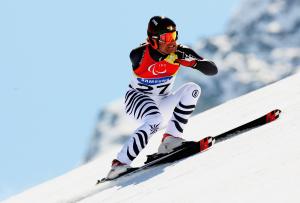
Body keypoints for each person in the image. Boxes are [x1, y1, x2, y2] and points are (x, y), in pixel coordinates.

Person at [106, 16, 218, 179]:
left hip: (163, 101)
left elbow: (212, 70)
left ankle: (170, 141)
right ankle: (120, 164)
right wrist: (167, 57)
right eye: (166, 38)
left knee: (192, 89)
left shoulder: (180, 51)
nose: (171, 42)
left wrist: (193, 63)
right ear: (153, 40)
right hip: (137, 99)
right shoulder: (140, 54)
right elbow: (136, 56)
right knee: (155, 117)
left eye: (173, 36)